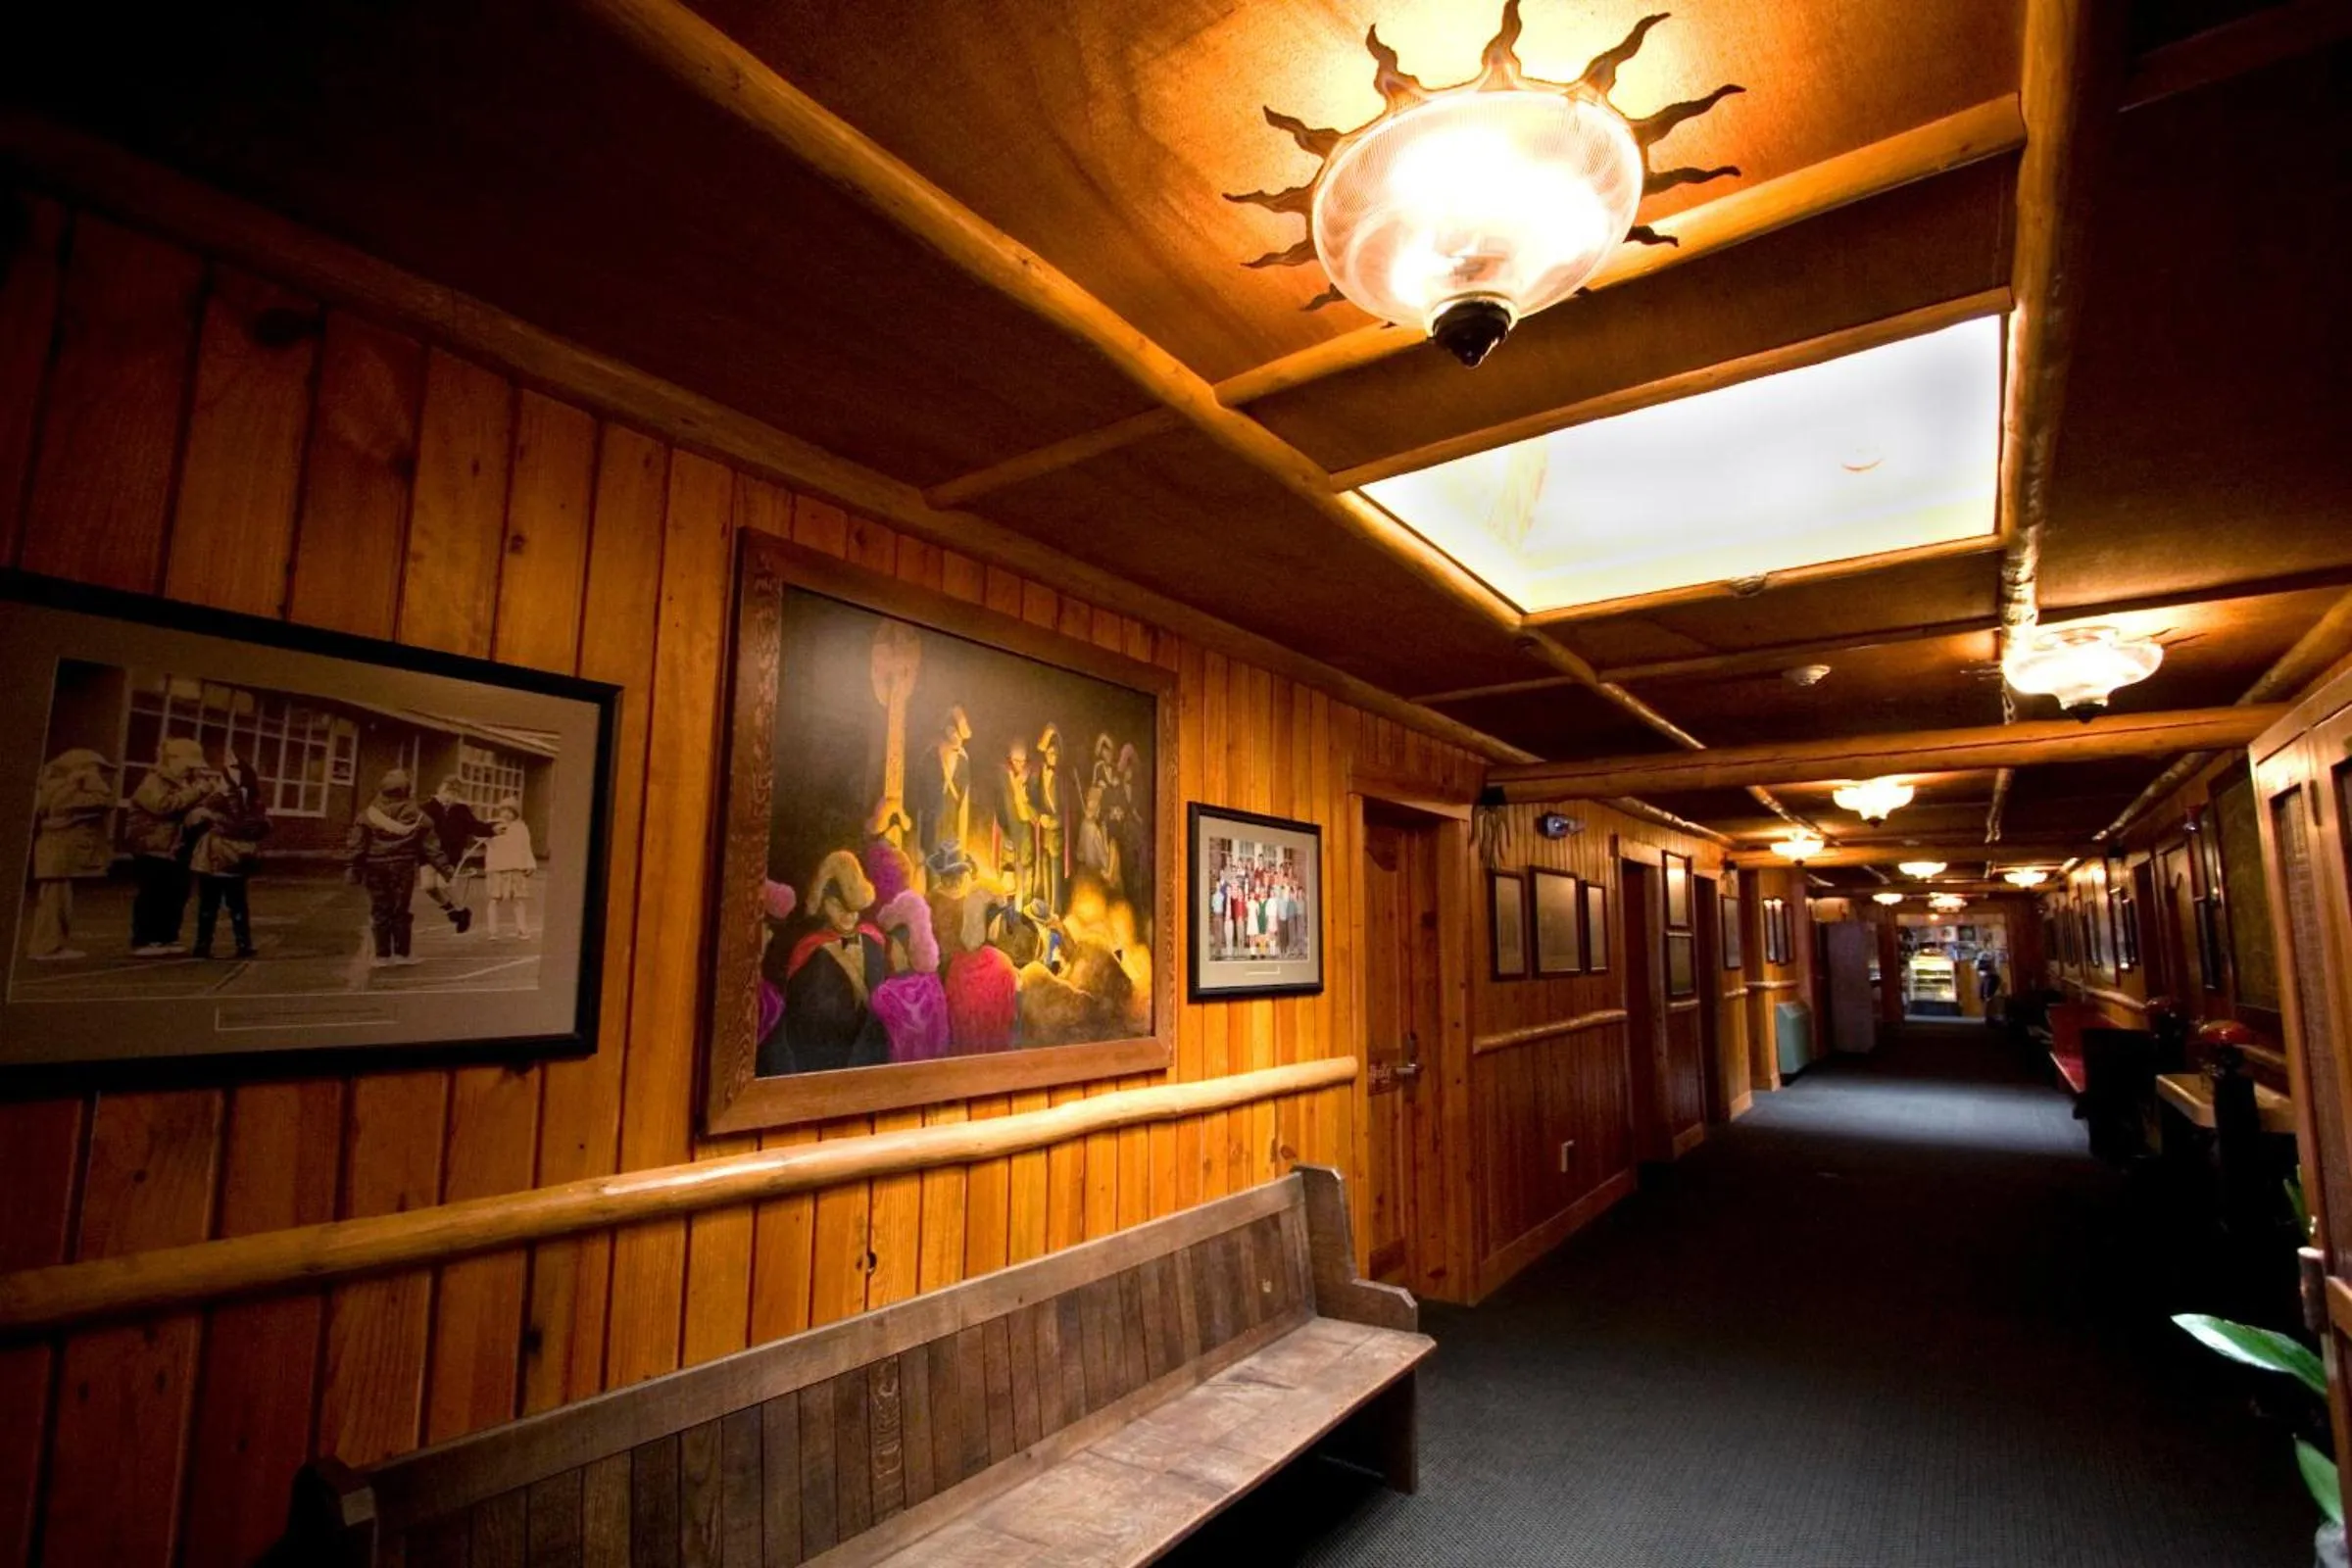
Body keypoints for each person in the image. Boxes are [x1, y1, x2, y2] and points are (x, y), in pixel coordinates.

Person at [346, 768, 452, 967]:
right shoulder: (417, 815)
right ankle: (403, 954)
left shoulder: (369, 814)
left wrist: (353, 867)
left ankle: (382, 956)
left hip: (374, 867)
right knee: (400, 910)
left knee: (380, 909)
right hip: (402, 867)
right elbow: (431, 847)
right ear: (406, 791)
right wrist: (445, 869)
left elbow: (357, 844)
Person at [124, 736, 211, 956]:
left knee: (177, 893)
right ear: (174, 761)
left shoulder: (186, 784)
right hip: (153, 847)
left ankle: (167, 937)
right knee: (153, 893)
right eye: (189, 766)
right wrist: (198, 791)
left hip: (177, 848)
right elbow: (163, 806)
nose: (192, 771)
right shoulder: (154, 781)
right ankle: (144, 940)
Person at [25, 749, 115, 961]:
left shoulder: (59, 788)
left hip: (57, 854)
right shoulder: (65, 790)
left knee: (56, 901)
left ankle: (50, 945)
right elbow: (104, 801)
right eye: (96, 769)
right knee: (54, 903)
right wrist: (90, 781)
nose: (99, 774)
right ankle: (47, 947)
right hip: (58, 854)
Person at [187, 749, 269, 960]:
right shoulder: (253, 801)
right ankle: (243, 944)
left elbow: (194, 820)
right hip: (237, 857)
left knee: (209, 904)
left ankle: (202, 946)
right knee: (237, 903)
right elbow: (259, 827)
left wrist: (213, 819)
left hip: (215, 854)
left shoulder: (218, 799)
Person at [420, 777, 489, 934]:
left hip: (450, 854)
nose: (449, 797)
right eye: (447, 792)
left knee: (444, 884)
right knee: (428, 886)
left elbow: (475, 826)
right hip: (428, 854)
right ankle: (450, 909)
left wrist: (492, 829)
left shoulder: (461, 810)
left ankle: (461, 910)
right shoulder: (426, 809)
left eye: (454, 794)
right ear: (439, 791)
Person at [483, 797, 536, 940]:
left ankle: (522, 929)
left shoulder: (521, 827)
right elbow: (479, 836)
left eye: (510, 811)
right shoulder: (492, 825)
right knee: (495, 898)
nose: (506, 814)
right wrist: (489, 830)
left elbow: (526, 846)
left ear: (515, 813)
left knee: (518, 899)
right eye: (504, 810)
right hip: (496, 868)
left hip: (515, 867)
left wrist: (530, 864)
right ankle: (492, 931)